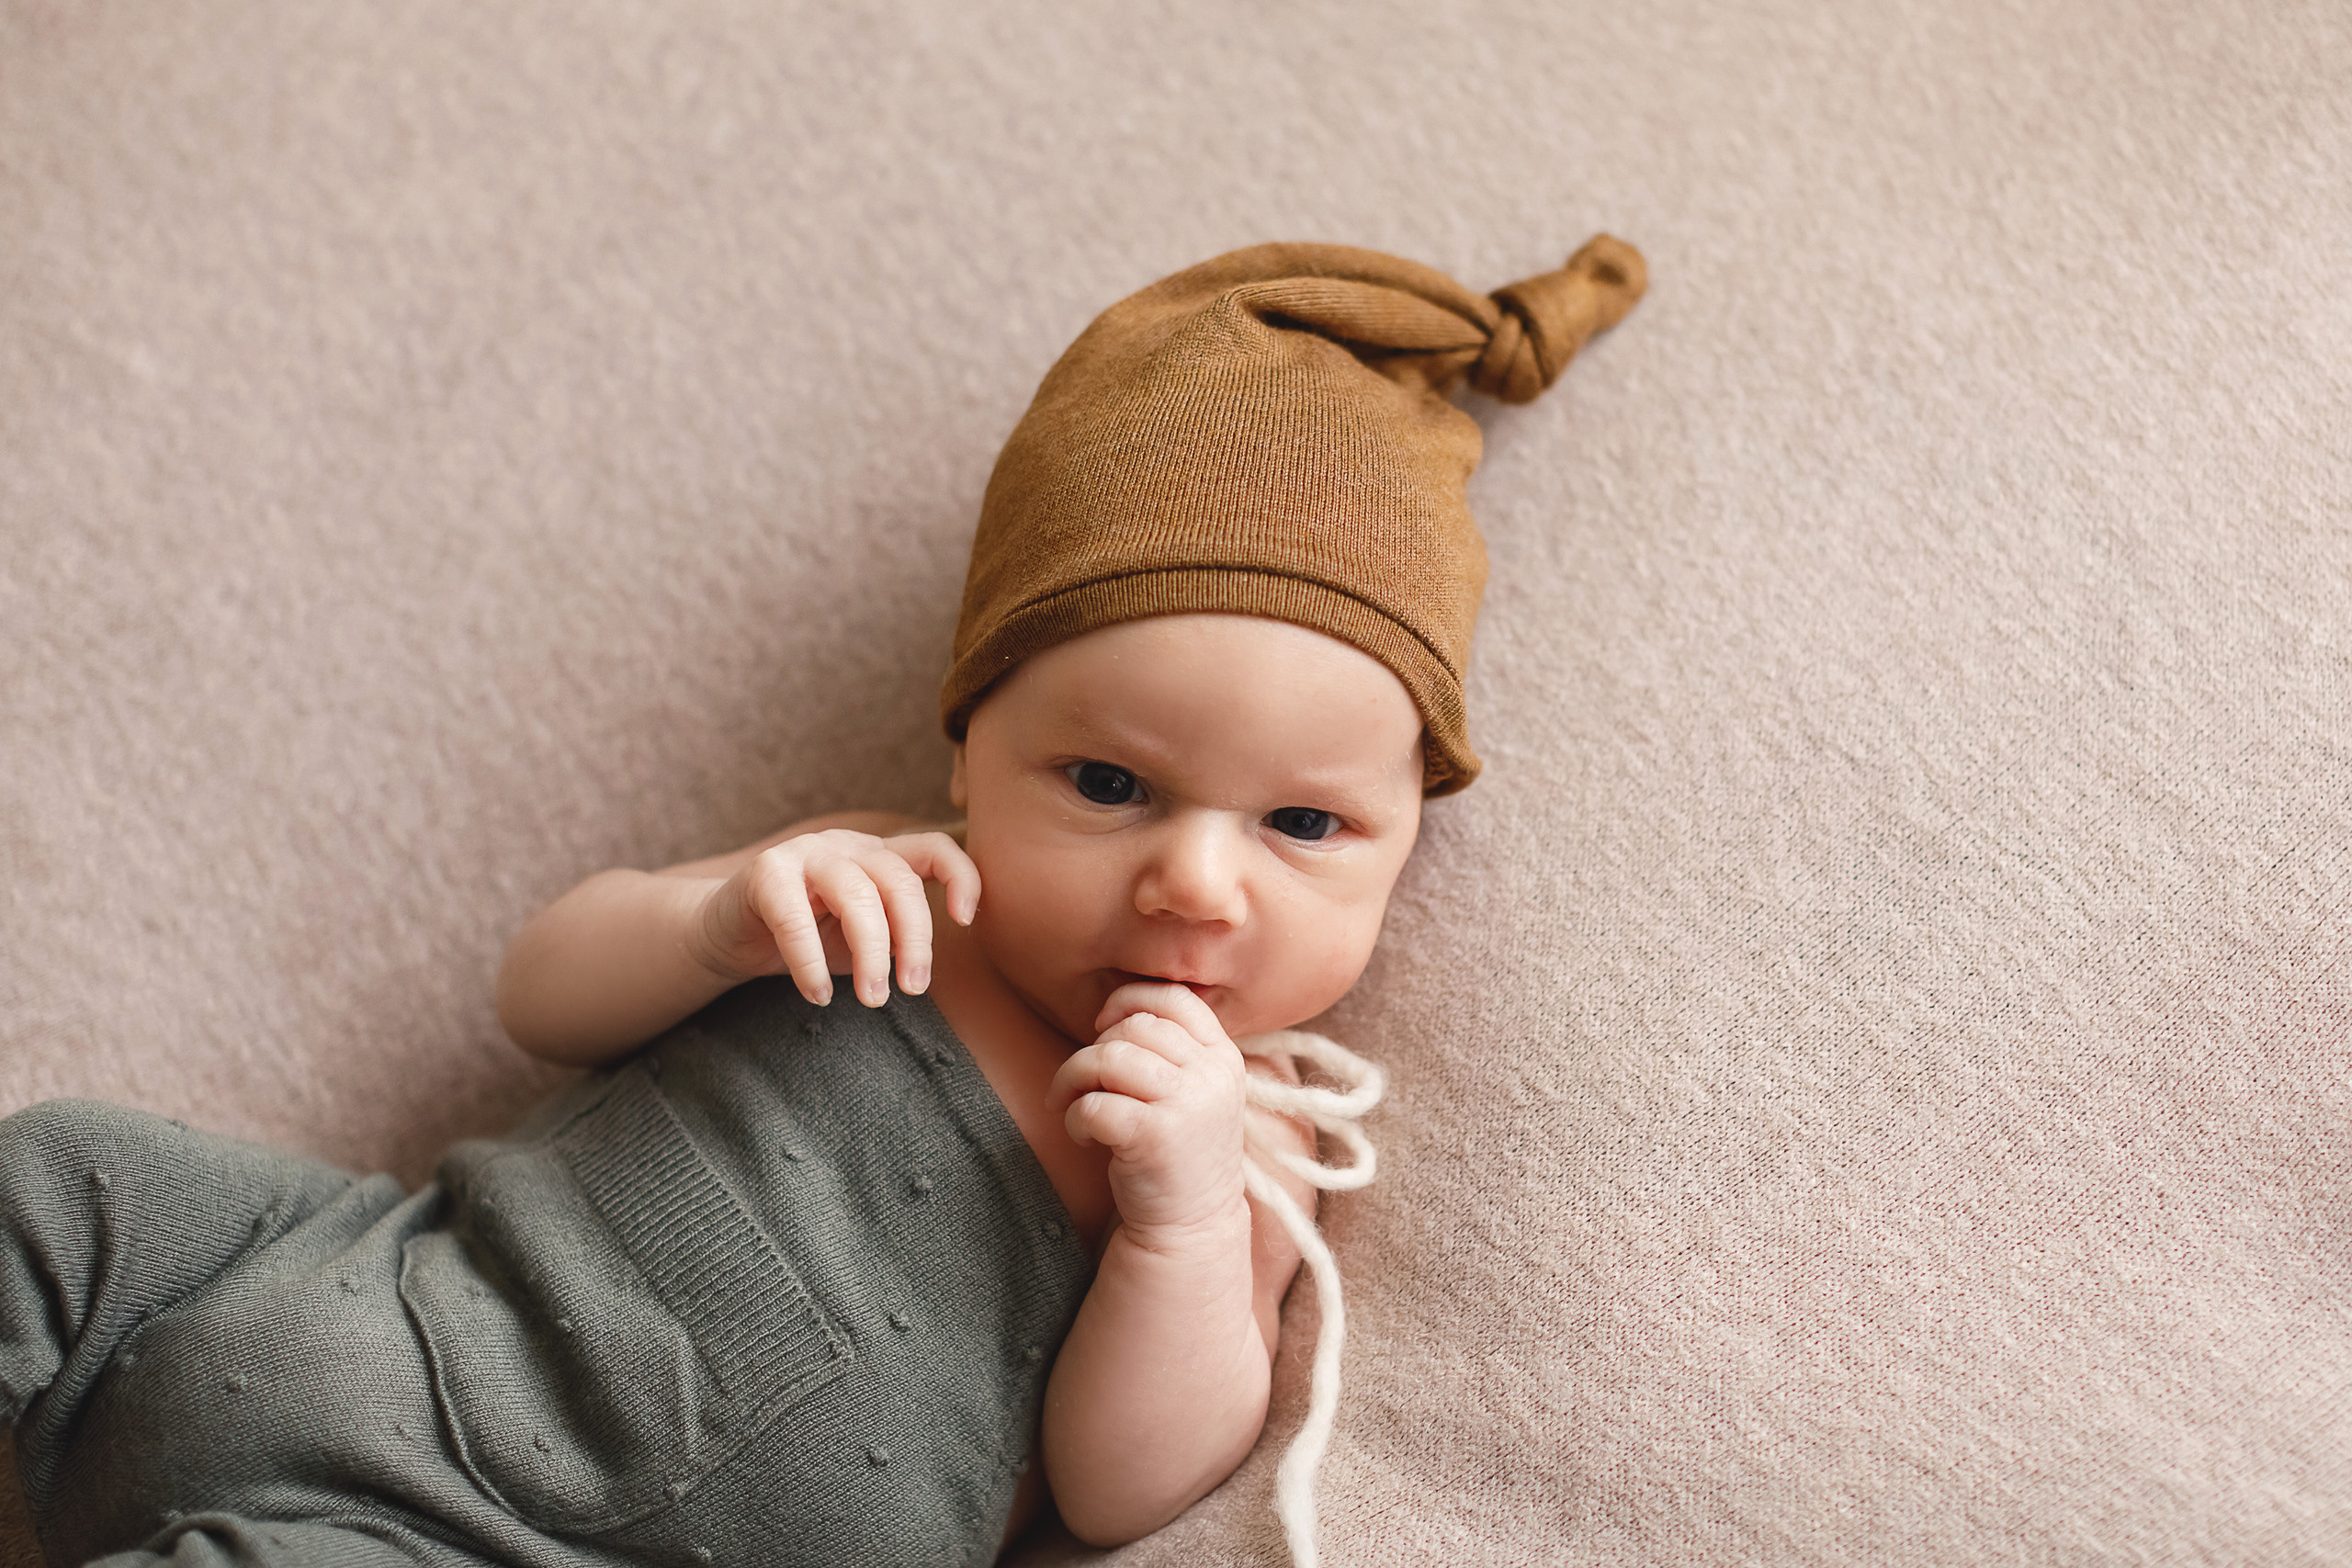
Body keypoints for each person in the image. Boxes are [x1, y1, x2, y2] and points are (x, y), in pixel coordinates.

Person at [0, 235, 1644, 1568]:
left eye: (1304, 823)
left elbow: (1120, 1487)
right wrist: (714, 915)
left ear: (1402, 841)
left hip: (509, 1544)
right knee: (53, 1177)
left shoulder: (1246, 1132)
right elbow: (542, 1001)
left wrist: (1184, 1219)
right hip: (366, 1278)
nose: (1194, 881)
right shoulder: (875, 880)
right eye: (1108, 785)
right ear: (972, 750)